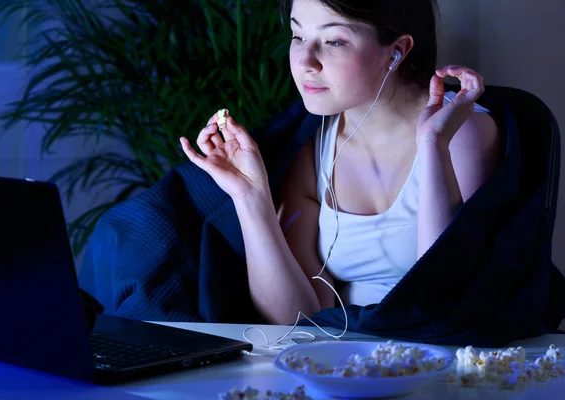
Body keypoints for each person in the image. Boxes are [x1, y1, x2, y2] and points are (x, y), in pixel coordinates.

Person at [179, 0, 503, 326]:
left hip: (436, 355)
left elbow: (442, 299)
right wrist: (250, 198)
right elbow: (294, 320)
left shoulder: (461, 133)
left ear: (397, 51)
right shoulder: (311, 149)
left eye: (333, 41)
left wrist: (433, 145)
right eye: (297, 36)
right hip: (341, 360)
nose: (305, 62)